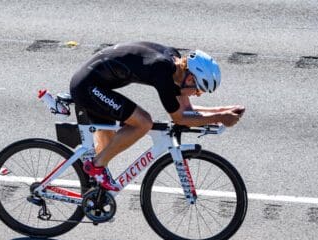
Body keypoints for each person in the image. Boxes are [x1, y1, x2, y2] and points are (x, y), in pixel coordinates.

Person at [69, 41, 245, 190]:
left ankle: (91, 187)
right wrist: (220, 117)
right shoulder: (162, 70)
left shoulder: (176, 66)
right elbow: (180, 118)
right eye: (199, 89)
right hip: (87, 87)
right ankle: (94, 167)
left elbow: (187, 110)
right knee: (143, 122)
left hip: (99, 85)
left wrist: (224, 111)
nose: (198, 94)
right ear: (190, 79)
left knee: (108, 146)